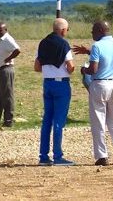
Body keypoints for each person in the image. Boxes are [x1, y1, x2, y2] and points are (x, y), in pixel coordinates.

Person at [73, 21, 113, 166]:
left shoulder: (97, 46)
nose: (91, 33)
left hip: (100, 84)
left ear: (100, 30)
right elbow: (107, 56)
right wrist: (89, 51)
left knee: (98, 121)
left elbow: (93, 69)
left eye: (93, 30)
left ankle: (102, 156)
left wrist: (83, 70)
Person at [35, 18, 74, 165]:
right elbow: (70, 66)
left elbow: (37, 67)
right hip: (61, 84)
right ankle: (58, 156)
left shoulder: (43, 43)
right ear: (63, 30)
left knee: (47, 120)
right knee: (58, 121)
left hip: (47, 83)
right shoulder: (64, 44)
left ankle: (43, 156)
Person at [0, 22, 20, 128]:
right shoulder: (2, 40)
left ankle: (8, 120)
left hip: (6, 70)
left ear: (5, 30)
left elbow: (17, 50)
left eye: (0, 30)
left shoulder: (7, 39)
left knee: (7, 96)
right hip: (0, 70)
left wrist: (9, 58)